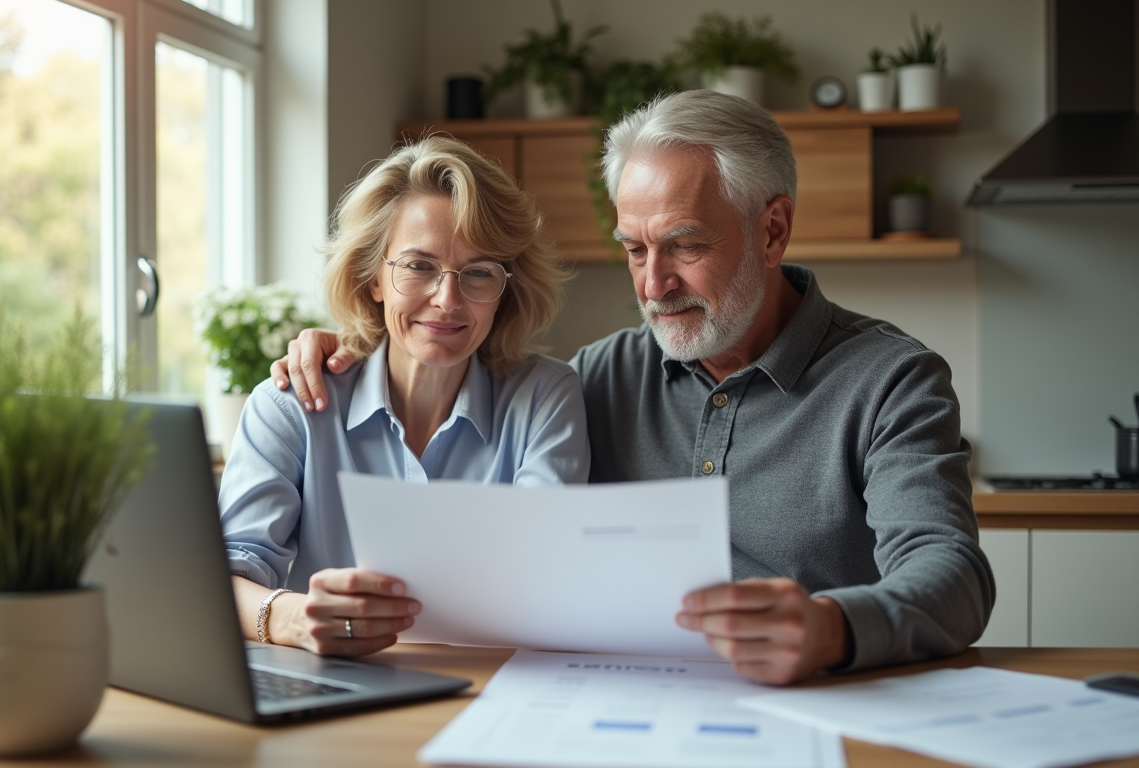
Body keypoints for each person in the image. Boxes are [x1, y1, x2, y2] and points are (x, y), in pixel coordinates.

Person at [270, 91, 995, 684]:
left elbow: (953, 578)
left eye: (685, 245)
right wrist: (349, 344)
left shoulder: (891, 380)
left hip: (821, 708)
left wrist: (832, 628)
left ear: (772, 232)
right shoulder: (595, 379)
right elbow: (450, 352)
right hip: (627, 710)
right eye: (635, 250)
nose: (654, 285)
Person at [222, 136, 590, 658]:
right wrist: (291, 618)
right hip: (335, 688)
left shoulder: (545, 398)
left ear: (505, 288)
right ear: (374, 277)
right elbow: (226, 576)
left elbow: (544, 572)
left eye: (479, 272)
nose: (447, 299)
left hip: (493, 687)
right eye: (419, 266)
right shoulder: (289, 404)